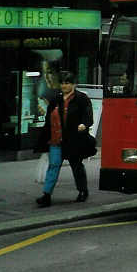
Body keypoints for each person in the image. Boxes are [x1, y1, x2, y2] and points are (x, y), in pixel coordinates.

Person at [34, 71, 95, 207]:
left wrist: (84, 124)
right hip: (56, 139)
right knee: (54, 165)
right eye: (62, 83)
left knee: (76, 165)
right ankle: (46, 195)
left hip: (74, 140)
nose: (64, 85)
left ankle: (83, 191)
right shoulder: (56, 99)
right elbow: (49, 120)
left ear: (73, 84)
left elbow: (88, 116)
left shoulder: (82, 98)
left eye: (67, 83)